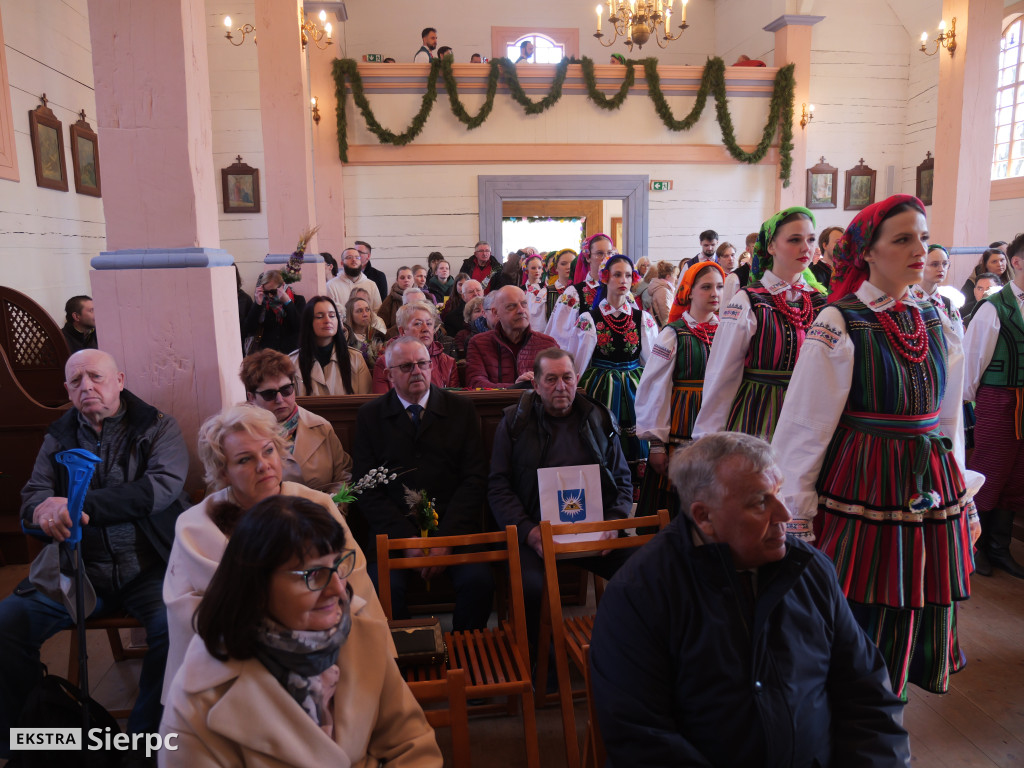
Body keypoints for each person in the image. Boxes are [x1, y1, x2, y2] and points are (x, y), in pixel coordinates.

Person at [588, 432, 910, 767]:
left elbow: (868, 695)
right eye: (760, 502)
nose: (785, 514)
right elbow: (642, 740)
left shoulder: (810, 570)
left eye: (780, 491)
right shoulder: (640, 594)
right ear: (704, 517)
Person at [772, 194, 978, 700]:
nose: (918, 249)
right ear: (867, 251)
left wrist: (961, 487)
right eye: (903, 239)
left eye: (923, 238)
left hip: (928, 480)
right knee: (861, 597)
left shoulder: (934, 316)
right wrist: (797, 511)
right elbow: (804, 425)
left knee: (917, 593)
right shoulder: (839, 321)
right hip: (866, 479)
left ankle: (890, 711)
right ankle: (853, 714)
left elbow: (948, 416)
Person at [161, 495, 441, 766]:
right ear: (256, 586)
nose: (338, 590)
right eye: (312, 575)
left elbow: (411, 744)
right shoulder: (196, 702)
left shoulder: (361, 637)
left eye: (337, 566)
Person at [0, 350, 188, 753]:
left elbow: (159, 489)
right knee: (7, 624)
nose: (86, 386)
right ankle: (38, 740)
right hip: (77, 569)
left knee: (175, 629)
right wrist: (42, 510)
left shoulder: (157, 427)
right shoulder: (58, 436)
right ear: (66, 390)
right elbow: (33, 496)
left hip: (149, 567)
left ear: (119, 379)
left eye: (96, 377)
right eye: (75, 381)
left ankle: (143, 744)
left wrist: (77, 505)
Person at [162, 405, 385, 702]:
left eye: (268, 451)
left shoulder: (318, 505)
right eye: (245, 459)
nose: (264, 465)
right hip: (238, 669)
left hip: (328, 651)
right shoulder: (196, 526)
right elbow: (189, 613)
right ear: (223, 472)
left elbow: (354, 576)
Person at [488, 348, 634, 650]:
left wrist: (615, 523)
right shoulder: (515, 422)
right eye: (551, 379)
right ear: (536, 385)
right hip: (535, 534)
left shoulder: (599, 418)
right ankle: (542, 665)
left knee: (645, 568)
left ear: (577, 380)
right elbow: (498, 487)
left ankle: (625, 650)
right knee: (531, 587)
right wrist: (529, 532)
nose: (560, 386)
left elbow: (622, 480)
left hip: (596, 533)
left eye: (567, 378)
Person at [353, 337, 493, 628]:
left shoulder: (461, 410)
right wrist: (407, 541)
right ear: (389, 374)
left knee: (479, 582)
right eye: (406, 366)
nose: (417, 371)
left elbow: (474, 480)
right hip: (392, 534)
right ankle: (410, 655)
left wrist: (446, 539)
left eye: (422, 364)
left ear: (432, 367)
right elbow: (367, 489)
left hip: (455, 529)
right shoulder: (370, 417)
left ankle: (464, 653)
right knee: (383, 589)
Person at [693, 206, 828, 441]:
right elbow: (722, 374)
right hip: (760, 414)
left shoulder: (820, 303)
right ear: (771, 246)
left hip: (810, 418)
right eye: (795, 239)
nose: (806, 248)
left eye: (811, 239)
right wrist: (708, 437)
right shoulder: (748, 301)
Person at [635, 261, 726, 516]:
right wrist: (656, 444)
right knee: (674, 504)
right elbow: (654, 388)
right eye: (706, 287)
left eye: (719, 287)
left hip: (716, 426)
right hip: (681, 424)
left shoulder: (725, 331)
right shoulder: (673, 334)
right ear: (689, 291)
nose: (714, 293)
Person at [565, 255, 658, 500]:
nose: (623, 280)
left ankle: (635, 498)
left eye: (628, 275)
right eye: (617, 274)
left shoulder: (643, 319)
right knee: (602, 438)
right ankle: (604, 497)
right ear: (605, 277)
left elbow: (652, 362)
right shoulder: (589, 319)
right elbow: (579, 362)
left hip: (634, 385)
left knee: (635, 441)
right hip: (600, 386)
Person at [963, 232, 1024, 578]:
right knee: (989, 471)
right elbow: (974, 359)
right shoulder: (993, 306)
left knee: (1017, 476)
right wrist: (973, 401)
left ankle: (999, 548)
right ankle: (976, 546)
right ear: (1016, 263)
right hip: (998, 401)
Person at [241, 349, 352, 493]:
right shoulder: (242, 435)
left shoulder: (321, 426)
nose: (280, 400)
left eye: (286, 389)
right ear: (251, 397)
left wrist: (333, 507)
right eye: (269, 394)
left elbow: (343, 475)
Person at [465, 285, 558, 389]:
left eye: (524, 304)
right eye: (512, 306)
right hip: (496, 404)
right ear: (496, 313)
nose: (521, 310)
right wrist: (516, 387)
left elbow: (559, 383)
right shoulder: (479, 343)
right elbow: (475, 383)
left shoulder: (548, 344)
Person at [289, 296, 371, 396]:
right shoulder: (292, 362)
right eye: (319, 316)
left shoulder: (356, 358)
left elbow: (365, 401)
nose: (327, 320)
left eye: (332, 316)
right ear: (308, 322)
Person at [546, 233, 617, 342]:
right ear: (588, 258)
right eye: (599, 253)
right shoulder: (573, 293)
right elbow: (561, 336)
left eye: (609, 253)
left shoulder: (621, 290)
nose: (606, 258)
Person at [372, 301, 458, 392]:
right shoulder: (384, 363)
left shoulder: (448, 363)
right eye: (418, 323)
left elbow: (452, 402)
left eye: (429, 324)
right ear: (402, 331)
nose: (425, 329)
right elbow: (384, 403)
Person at [241, 270, 304, 354]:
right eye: (266, 292)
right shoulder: (262, 303)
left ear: (283, 286)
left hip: (291, 354)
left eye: (273, 292)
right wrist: (257, 304)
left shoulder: (298, 300)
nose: (270, 295)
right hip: (267, 355)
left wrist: (288, 303)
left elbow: (301, 327)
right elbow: (249, 329)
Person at [961, 248, 1013, 318]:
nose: (1000, 264)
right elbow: (963, 307)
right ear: (985, 265)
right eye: (994, 262)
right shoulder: (973, 282)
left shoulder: (1011, 280)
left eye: (1002, 260)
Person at [327, 247, 382, 313]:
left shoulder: (371, 285)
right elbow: (330, 313)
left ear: (360, 262)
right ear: (342, 263)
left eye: (357, 257)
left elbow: (377, 312)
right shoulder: (331, 286)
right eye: (349, 257)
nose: (354, 260)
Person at [344, 294, 387, 370]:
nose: (365, 314)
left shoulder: (379, 336)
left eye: (367, 309)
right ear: (350, 315)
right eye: (359, 311)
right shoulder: (345, 337)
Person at [724, 232, 758, 303]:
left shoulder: (771, 272)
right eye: (756, 247)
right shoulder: (735, 277)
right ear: (748, 249)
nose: (760, 250)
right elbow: (726, 308)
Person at [379, 265, 415, 330]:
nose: (406, 280)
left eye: (409, 277)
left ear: (413, 279)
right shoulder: (390, 299)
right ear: (397, 280)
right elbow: (380, 324)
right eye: (402, 278)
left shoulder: (421, 297)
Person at [645, 260, 678, 327]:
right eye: (675, 276)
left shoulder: (661, 288)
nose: (676, 279)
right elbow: (666, 314)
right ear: (668, 276)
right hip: (661, 327)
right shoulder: (663, 290)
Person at [545, 248, 576, 318]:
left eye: (572, 263)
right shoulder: (546, 292)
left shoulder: (581, 290)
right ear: (556, 267)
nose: (569, 267)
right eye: (563, 264)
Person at [810, 225, 844, 289]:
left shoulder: (844, 272)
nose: (842, 246)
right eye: (838, 242)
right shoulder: (814, 272)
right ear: (825, 245)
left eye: (844, 243)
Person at [521, 252, 548, 333]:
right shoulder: (520, 290)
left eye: (539, 268)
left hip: (543, 328)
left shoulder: (547, 288)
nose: (537, 271)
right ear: (526, 269)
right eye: (533, 268)